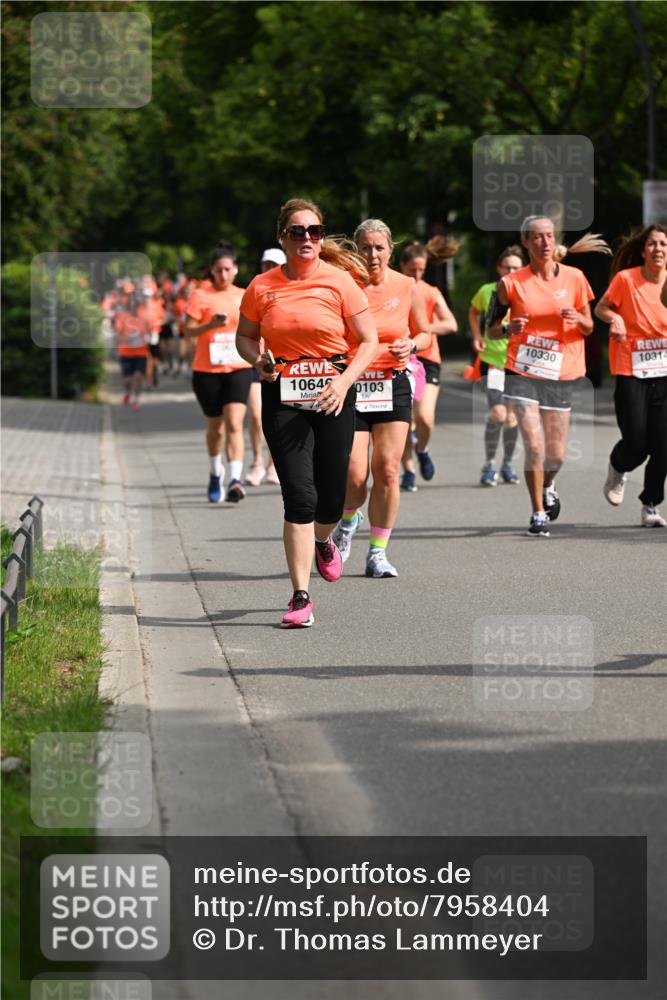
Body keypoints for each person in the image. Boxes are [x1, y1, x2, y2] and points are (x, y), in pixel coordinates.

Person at [236, 198, 378, 628]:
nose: (307, 239)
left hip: (333, 395)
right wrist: (256, 360)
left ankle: (324, 540)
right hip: (283, 397)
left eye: (314, 231)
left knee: (331, 499)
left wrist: (344, 382)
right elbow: (245, 338)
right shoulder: (262, 286)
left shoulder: (340, 282)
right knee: (299, 496)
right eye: (297, 232)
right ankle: (300, 596)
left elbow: (368, 341)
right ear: (282, 237)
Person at [487, 216, 610, 536]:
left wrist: (576, 319)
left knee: (556, 454)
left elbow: (589, 326)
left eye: (549, 236)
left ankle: (548, 485)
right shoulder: (510, 284)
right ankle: (537, 511)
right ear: (526, 242)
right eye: (537, 237)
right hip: (522, 371)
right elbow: (491, 328)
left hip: (561, 372)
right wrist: (507, 328)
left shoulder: (575, 278)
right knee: (535, 447)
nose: (544, 242)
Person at [332, 219, 431, 576]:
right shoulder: (344, 284)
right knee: (354, 475)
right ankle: (347, 522)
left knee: (388, 470)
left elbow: (427, 335)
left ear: (391, 250)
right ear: (356, 250)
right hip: (353, 386)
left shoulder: (407, 286)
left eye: (379, 247)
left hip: (392, 384)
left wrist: (411, 343)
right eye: (365, 247)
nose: (372, 254)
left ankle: (378, 551)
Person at [595, 224, 667, 527]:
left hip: (664, 372)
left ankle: (650, 503)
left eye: (664, 244)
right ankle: (618, 465)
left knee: (664, 444)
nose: (658, 249)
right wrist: (616, 320)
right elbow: (601, 308)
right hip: (631, 370)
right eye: (652, 244)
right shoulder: (626, 280)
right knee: (637, 442)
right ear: (642, 250)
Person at [186, 241, 250, 503]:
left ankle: (235, 479)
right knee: (216, 428)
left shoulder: (245, 294)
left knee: (235, 423)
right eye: (218, 270)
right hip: (207, 370)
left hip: (238, 367)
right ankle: (215, 473)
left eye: (227, 269)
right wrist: (209, 325)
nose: (223, 275)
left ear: (235, 269)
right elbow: (188, 331)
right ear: (211, 271)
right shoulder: (200, 295)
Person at [398, 237, 459, 491]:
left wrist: (424, 330)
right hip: (399, 358)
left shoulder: (430, 291)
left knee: (424, 417)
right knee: (401, 421)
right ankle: (408, 470)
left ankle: (422, 449)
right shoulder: (394, 288)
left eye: (421, 269)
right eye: (413, 269)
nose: (417, 274)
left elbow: (451, 324)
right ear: (402, 266)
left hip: (425, 359)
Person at [469, 246, 524, 486]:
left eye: (515, 267)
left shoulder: (527, 292)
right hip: (493, 363)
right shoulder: (487, 290)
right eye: (507, 267)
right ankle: (490, 464)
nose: (511, 271)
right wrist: (476, 336)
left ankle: (508, 464)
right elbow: (473, 312)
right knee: (498, 413)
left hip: (519, 364)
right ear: (499, 268)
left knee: (512, 418)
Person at [244, 248, 285, 487]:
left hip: (283, 364)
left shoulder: (292, 290)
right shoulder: (256, 289)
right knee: (256, 415)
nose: (269, 269)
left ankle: (273, 464)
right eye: (265, 264)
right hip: (258, 361)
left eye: (274, 264)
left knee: (278, 417)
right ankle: (257, 462)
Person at [114, 293, 151, 410]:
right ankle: (127, 392)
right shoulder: (122, 318)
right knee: (127, 380)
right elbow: (117, 336)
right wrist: (128, 340)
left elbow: (148, 334)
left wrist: (146, 339)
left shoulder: (143, 319)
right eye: (131, 305)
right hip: (126, 352)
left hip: (141, 352)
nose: (134, 307)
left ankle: (135, 399)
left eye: (136, 305)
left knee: (138, 376)